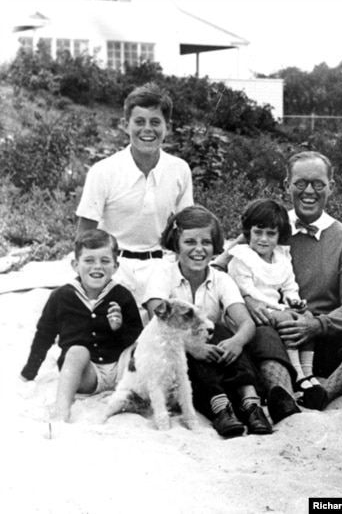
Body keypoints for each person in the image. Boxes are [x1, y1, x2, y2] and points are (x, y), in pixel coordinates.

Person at [216, 151, 342, 421]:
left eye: (318, 184)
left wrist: (317, 325)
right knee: (265, 333)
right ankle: (282, 395)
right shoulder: (268, 225)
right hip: (272, 332)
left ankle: (324, 392)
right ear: (287, 184)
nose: (309, 191)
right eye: (300, 183)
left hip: (320, 337)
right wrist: (249, 302)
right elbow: (219, 270)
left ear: (331, 187)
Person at [143, 206, 272, 437]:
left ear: (215, 247)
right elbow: (158, 315)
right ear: (176, 244)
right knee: (191, 338)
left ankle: (251, 402)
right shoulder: (163, 274)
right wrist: (194, 347)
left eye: (206, 242)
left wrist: (237, 342)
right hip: (176, 362)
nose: (199, 249)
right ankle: (220, 407)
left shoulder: (221, 279)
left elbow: (246, 323)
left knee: (221, 330)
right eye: (190, 242)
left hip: (215, 361)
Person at [76, 82, 193, 319]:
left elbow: (187, 227)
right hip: (116, 266)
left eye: (155, 122)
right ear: (125, 125)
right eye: (139, 122)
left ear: (167, 127)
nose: (147, 130)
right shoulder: (103, 171)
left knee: (168, 326)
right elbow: (85, 233)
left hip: (161, 264)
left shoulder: (179, 169)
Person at [20, 229, 143, 422]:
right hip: (88, 375)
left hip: (121, 371)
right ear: (75, 265)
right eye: (89, 260)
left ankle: (140, 398)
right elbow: (44, 335)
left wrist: (119, 328)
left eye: (105, 261)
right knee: (76, 351)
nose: (97, 267)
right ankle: (61, 412)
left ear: (116, 266)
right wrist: (29, 371)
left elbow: (137, 334)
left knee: (139, 348)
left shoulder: (122, 295)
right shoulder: (61, 296)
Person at [228, 199, 327, 409]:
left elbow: (289, 284)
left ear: (279, 235)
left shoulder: (281, 258)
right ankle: (298, 373)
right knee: (288, 319)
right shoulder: (242, 257)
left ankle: (308, 372)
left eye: (270, 234)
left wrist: (295, 301)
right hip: (251, 311)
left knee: (307, 318)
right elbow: (247, 291)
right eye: (258, 232)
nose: (263, 239)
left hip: (274, 309)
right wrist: (282, 309)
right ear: (248, 232)